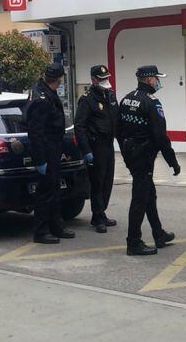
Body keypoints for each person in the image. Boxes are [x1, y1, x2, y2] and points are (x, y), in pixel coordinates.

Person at [119, 65, 179, 256]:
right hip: (144, 155)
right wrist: (173, 161)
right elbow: (161, 136)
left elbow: (119, 130)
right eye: (156, 78)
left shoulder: (127, 98)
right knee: (140, 198)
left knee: (149, 194)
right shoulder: (152, 102)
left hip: (131, 153)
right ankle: (133, 242)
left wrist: (127, 155)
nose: (158, 82)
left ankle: (158, 234)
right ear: (149, 79)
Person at [25, 63, 75, 245]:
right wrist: (40, 160)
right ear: (59, 79)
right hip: (46, 149)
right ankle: (41, 231)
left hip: (53, 147)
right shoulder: (41, 98)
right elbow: (35, 133)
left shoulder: (44, 91)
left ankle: (56, 226)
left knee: (54, 190)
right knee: (45, 192)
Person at [75, 64, 120, 233]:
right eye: (101, 79)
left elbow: (116, 118)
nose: (105, 81)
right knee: (97, 182)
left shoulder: (110, 95)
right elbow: (80, 126)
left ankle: (102, 212)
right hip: (96, 146)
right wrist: (86, 150)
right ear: (93, 80)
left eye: (106, 78)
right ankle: (97, 216)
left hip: (108, 144)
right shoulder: (87, 100)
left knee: (108, 180)